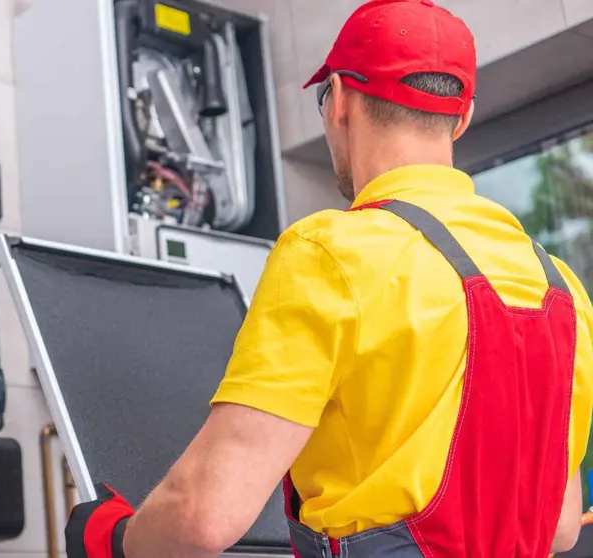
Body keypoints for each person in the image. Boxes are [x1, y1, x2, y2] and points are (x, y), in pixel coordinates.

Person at [64, 0, 593, 556]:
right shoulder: (560, 288)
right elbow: (558, 528)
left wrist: (111, 537)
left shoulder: (331, 253)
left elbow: (204, 514)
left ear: (339, 99)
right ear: (461, 117)